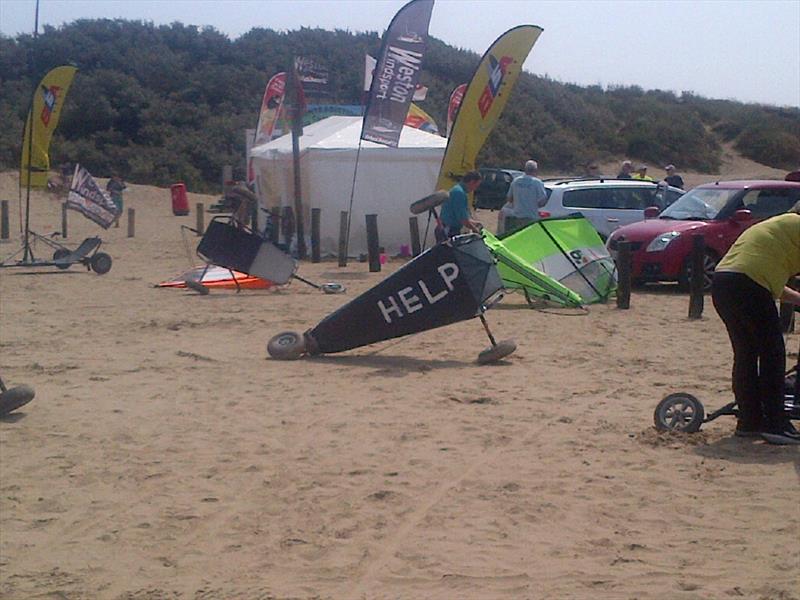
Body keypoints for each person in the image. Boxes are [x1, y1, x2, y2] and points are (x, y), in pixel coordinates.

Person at [711, 204, 800, 445]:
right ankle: (775, 424)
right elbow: (757, 278)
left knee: (746, 353)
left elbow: (767, 279)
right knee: (772, 353)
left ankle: (749, 422)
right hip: (749, 286)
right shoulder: (796, 225)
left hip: (722, 283)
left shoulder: (773, 228)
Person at [504, 159, 548, 230]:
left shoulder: (516, 181)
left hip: (517, 216)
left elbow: (509, 198)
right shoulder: (537, 183)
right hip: (531, 217)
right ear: (535, 170)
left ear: (525, 169)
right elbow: (543, 201)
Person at [440, 171, 483, 237]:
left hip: (450, 228)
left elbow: (463, 217)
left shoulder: (459, 190)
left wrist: (475, 223)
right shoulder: (459, 193)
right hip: (448, 230)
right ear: (471, 182)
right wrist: (476, 230)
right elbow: (463, 220)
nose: (475, 189)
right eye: (476, 186)